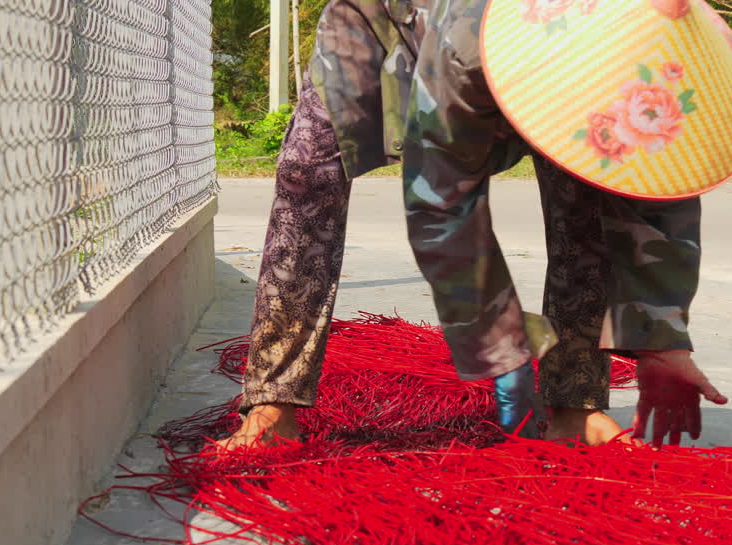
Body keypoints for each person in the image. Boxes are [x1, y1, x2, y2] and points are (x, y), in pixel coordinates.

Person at [218, 0, 638, 450]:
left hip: (533, 22)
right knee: (306, 172)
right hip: (380, 12)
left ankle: (576, 404)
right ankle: (274, 402)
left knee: (582, 183)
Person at [401, 0, 732, 446]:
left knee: (586, 203)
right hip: (416, 33)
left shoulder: (648, 54)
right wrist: (499, 350)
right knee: (309, 174)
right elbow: (440, 196)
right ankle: (278, 393)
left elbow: (659, 188)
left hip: (572, 59)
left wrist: (662, 339)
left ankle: (574, 406)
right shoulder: (465, 42)